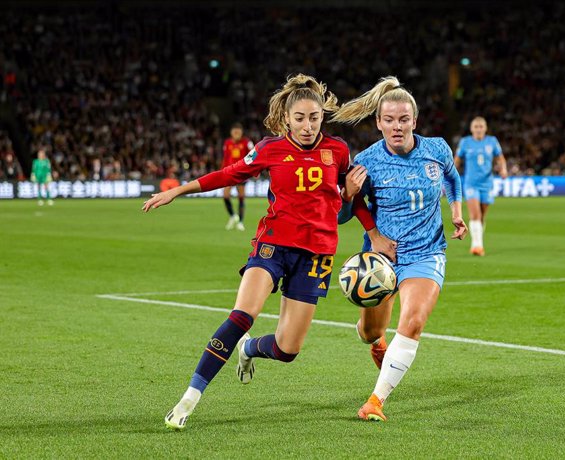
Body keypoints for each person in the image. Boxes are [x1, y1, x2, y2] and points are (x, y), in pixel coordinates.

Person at [143, 74, 356, 430]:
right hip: (273, 245)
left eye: (314, 117)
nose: (307, 125)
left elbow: (348, 208)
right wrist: (178, 190)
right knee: (243, 314)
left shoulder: (339, 151)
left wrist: (354, 202)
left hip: (317, 254)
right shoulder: (270, 148)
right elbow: (230, 174)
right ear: (286, 117)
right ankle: (189, 398)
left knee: (288, 350)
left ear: (323, 116)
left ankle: (248, 349)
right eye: (300, 118)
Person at [332, 76, 468, 422]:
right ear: (378, 123)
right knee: (370, 332)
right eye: (389, 120)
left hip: (426, 253)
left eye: (403, 119)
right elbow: (345, 214)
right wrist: (348, 194)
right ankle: (378, 344)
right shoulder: (367, 160)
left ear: (414, 121)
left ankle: (375, 401)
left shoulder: (436, 149)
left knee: (414, 320)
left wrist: (455, 211)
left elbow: (452, 177)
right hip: (381, 260)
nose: (397, 126)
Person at [454, 117, 507, 256]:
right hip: (471, 183)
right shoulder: (465, 142)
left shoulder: (492, 141)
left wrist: (503, 169)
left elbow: (500, 157)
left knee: (482, 215)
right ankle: (477, 245)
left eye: (481, 126)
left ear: (485, 128)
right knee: (475, 214)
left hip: (487, 183)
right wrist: (451, 174)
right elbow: (457, 160)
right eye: (476, 127)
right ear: (472, 129)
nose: (478, 129)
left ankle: (478, 241)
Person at [221, 122, 254, 231]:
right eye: (234, 132)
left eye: (238, 132)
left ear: (241, 133)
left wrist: (252, 169)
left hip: (241, 173)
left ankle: (240, 221)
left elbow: (254, 154)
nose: (236, 134)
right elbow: (225, 158)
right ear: (231, 133)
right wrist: (222, 171)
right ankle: (233, 216)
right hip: (229, 173)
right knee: (225, 196)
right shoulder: (227, 143)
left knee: (241, 197)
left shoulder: (247, 143)